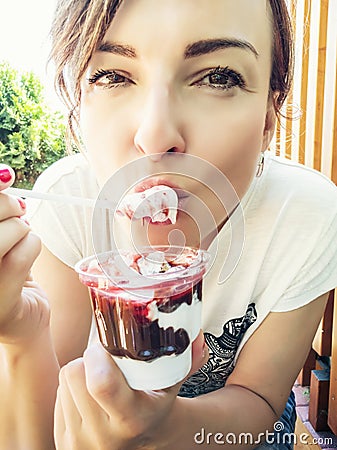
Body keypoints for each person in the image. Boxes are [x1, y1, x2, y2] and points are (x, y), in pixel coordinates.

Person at [0, 0, 336, 448]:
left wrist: (162, 431)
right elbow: (47, 423)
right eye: (112, 75)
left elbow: (258, 396)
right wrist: (21, 336)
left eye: (219, 77)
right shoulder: (67, 204)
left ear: (270, 116)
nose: (155, 135)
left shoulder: (306, 215)